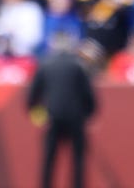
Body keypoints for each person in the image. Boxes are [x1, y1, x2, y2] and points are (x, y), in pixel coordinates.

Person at [27, 33, 97, 188]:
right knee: (78, 159)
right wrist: (89, 115)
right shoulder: (78, 65)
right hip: (75, 118)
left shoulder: (45, 64)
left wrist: (39, 117)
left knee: (49, 160)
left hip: (52, 117)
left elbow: (32, 97)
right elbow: (88, 94)